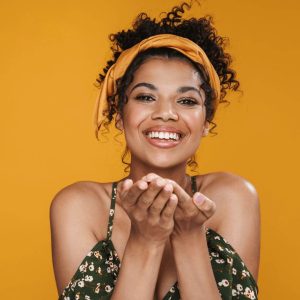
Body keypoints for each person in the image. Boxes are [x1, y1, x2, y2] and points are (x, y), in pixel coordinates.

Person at [50, 2, 260, 299]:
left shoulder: (233, 198)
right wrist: (146, 240)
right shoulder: (79, 207)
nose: (166, 113)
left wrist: (188, 237)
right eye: (146, 97)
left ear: (205, 122)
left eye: (186, 101)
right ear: (119, 116)